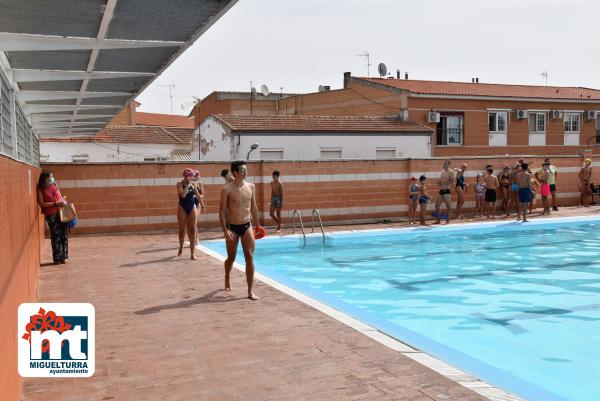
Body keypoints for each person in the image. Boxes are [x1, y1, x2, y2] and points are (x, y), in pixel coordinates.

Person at [219, 161, 261, 300]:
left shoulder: (251, 186)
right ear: (235, 173)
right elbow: (221, 211)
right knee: (231, 257)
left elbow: (254, 207)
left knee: (249, 256)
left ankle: (250, 291)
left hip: (246, 225)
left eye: (246, 169)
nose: (245, 172)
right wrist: (225, 230)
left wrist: (258, 225)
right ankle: (227, 276)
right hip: (232, 227)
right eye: (242, 170)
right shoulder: (227, 190)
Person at [37, 171, 69, 264]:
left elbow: (60, 195)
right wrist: (55, 203)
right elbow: (42, 203)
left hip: (61, 212)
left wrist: (63, 201)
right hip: (51, 215)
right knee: (55, 235)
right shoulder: (40, 189)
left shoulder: (54, 185)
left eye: (52, 177)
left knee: (63, 234)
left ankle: (63, 257)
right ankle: (56, 258)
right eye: (51, 177)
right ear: (45, 179)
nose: (52, 179)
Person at [177, 168, 202, 259]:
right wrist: (187, 186)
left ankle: (192, 253)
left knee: (192, 229)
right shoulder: (179, 184)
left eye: (190, 176)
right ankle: (181, 247)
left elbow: (198, 196)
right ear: (184, 176)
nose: (189, 178)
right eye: (187, 176)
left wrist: (202, 205)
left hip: (192, 206)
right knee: (182, 230)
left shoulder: (194, 184)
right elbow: (183, 195)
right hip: (182, 207)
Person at [434, 160, 454, 225]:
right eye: (444, 163)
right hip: (441, 190)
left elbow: (451, 182)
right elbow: (441, 180)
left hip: (446, 190)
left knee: (449, 206)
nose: (444, 165)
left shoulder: (451, 172)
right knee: (437, 206)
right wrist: (439, 182)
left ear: (448, 164)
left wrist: (445, 181)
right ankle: (438, 220)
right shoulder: (442, 171)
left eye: (445, 163)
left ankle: (447, 221)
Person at [192, 170, 206, 245]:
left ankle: (196, 239)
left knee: (195, 222)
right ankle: (194, 238)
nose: (197, 177)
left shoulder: (200, 183)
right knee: (192, 223)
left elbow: (202, 195)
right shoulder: (191, 183)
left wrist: (196, 196)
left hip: (197, 205)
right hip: (191, 204)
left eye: (198, 175)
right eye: (196, 175)